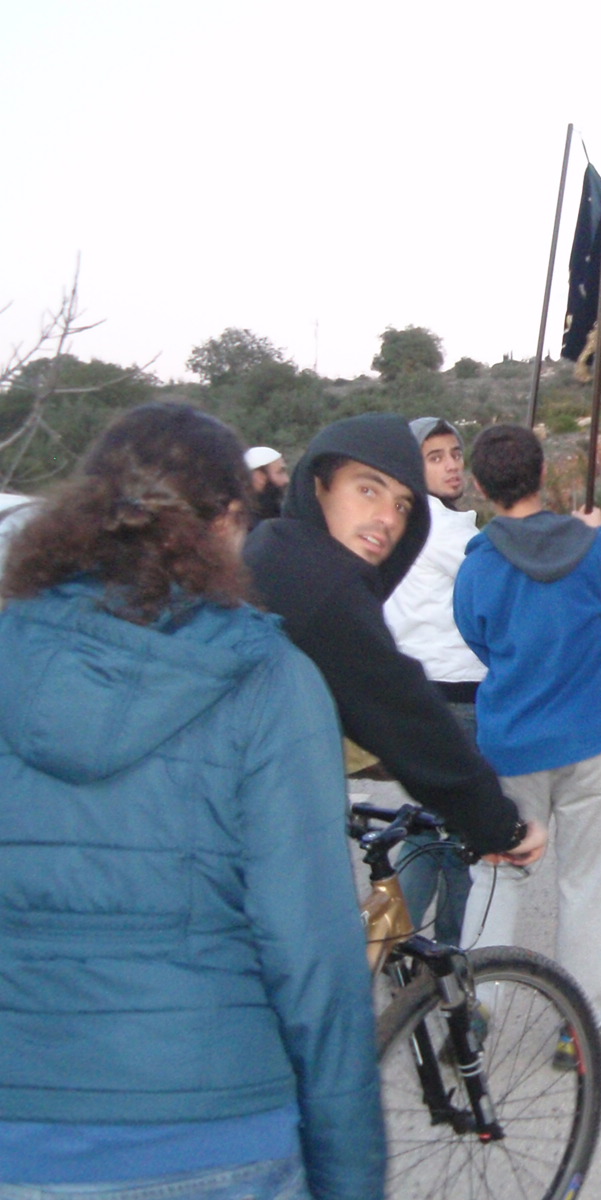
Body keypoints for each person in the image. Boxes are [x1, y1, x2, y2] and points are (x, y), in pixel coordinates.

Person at [0, 404, 383, 1200]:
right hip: (211, 1130)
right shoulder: (268, 682)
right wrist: (349, 1175)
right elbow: (313, 957)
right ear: (231, 519)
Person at [243, 414, 543, 866]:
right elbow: (399, 708)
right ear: (318, 484)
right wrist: (497, 824)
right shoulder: (318, 580)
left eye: (404, 505)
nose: (386, 517)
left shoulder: (278, 546)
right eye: (368, 489)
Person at [454, 424, 601, 1066]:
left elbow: (476, 639)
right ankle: (580, 1028)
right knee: (587, 884)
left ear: (480, 485)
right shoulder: (592, 545)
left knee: (498, 875)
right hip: (594, 734)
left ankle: (474, 1014)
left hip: (512, 746)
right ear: (542, 475)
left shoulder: (478, 564)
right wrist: (591, 537)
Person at [382, 418, 483, 946]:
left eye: (455, 453)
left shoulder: (396, 522)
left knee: (425, 831)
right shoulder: (446, 531)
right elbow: (496, 587)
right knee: (464, 841)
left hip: (415, 694)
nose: (451, 465)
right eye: (436, 457)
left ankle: (386, 948)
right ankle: (451, 964)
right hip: (457, 695)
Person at [245, 445, 290, 524]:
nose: (287, 480)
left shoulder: (283, 515)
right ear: (259, 477)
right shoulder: (242, 524)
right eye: (280, 472)